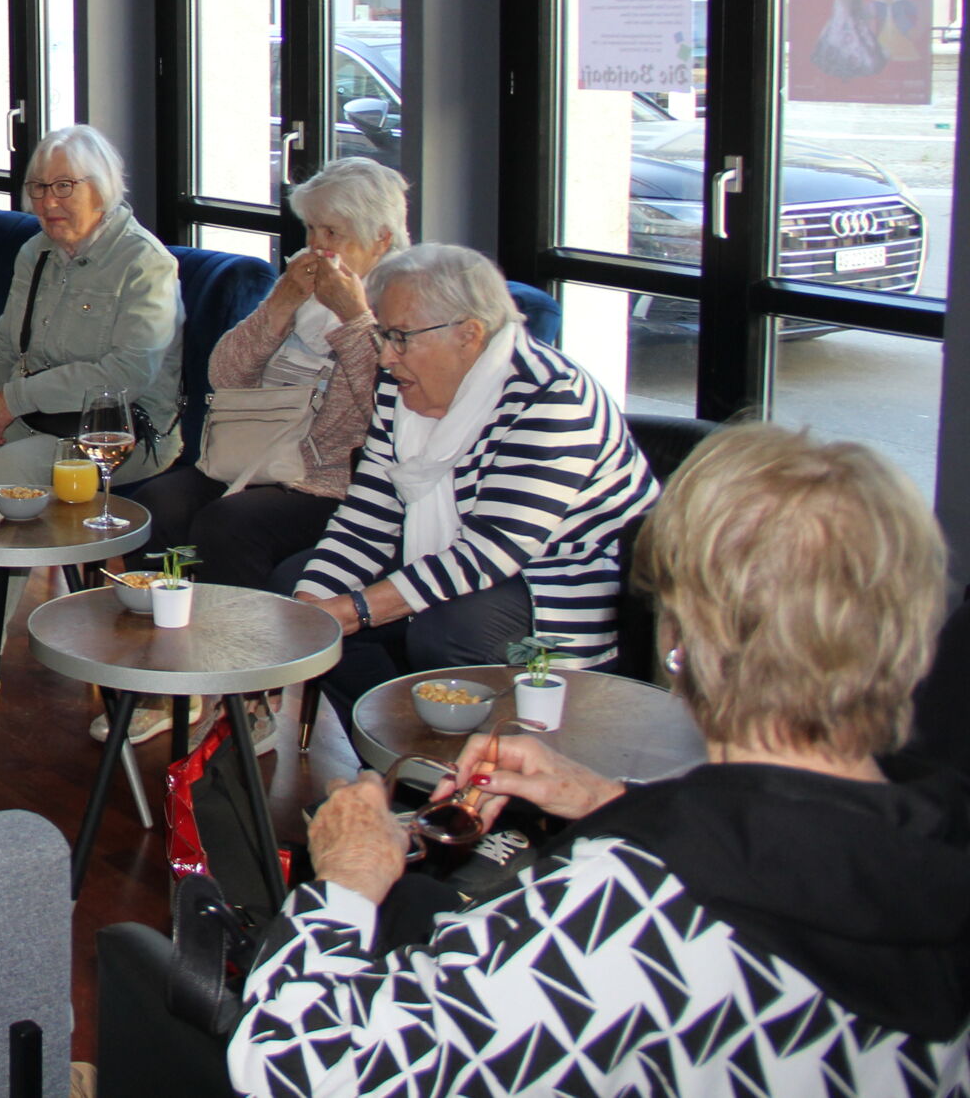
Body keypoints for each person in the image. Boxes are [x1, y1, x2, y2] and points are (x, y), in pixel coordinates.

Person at [236, 421, 970, 1096]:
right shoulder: (938, 839)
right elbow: (796, 861)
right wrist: (613, 801)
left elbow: (292, 1067)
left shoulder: (630, 911)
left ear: (690, 641)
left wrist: (346, 883)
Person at [282, 243, 657, 723]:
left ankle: (481, 756)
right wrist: (311, 606)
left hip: (563, 582)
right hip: (457, 554)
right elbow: (367, 516)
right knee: (295, 585)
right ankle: (392, 734)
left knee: (449, 630)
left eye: (399, 337)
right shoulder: (402, 387)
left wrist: (353, 611)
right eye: (382, 334)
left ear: (469, 334)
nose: (386, 357)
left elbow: (493, 549)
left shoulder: (551, 397)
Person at [0, 124, 183, 723]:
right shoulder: (37, 252)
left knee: (14, 472)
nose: (48, 202)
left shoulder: (146, 264)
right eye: (38, 187)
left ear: (102, 188)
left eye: (64, 187)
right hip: (32, 416)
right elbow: (3, 344)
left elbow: (126, 373)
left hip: (117, 435)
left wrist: (12, 403)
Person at [132, 158, 409, 588]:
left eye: (332, 232)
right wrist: (280, 305)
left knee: (228, 525)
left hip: (329, 480)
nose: (316, 245)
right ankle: (161, 619)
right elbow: (225, 375)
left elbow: (385, 406)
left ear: (381, 238)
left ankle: (237, 630)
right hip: (253, 453)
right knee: (157, 504)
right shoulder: (298, 289)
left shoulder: (401, 304)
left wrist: (354, 318)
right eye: (311, 229)